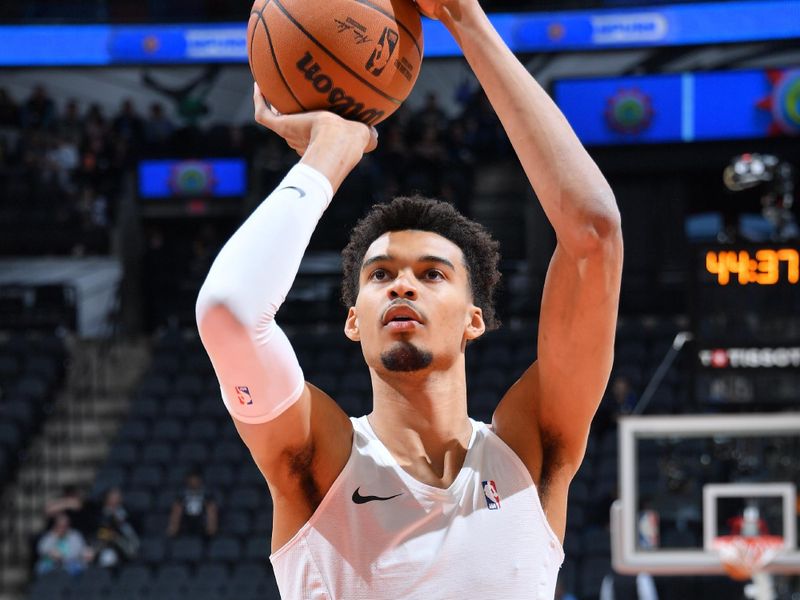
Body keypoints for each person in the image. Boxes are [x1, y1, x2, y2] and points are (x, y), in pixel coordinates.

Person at [196, 0, 622, 597]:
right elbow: (228, 313)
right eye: (379, 276)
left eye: (432, 274)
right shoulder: (320, 460)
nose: (402, 284)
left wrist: (466, 21)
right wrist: (329, 152)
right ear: (353, 320)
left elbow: (594, 235)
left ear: (475, 319)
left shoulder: (530, 456)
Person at [90, 487, 139, 568]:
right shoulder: (99, 514)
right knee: (107, 557)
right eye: (113, 498)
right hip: (104, 546)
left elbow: (132, 531)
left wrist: (120, 523)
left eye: (118, 498)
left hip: (123, 546)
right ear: (107, 499)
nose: (116, 500)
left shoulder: (127, 513)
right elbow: (98, 532)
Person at [166, 470, 219, 539]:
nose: (193, 482)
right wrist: (173, 528)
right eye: (191, 480)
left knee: (211, 508)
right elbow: (176, 512)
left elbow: (212, 511)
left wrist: (211, 527)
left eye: (196, 480)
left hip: (201, 522)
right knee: (177, 507)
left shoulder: (207, 495)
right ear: (187, 481)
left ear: (200, 481)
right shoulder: (181, 495)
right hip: (185, 522)